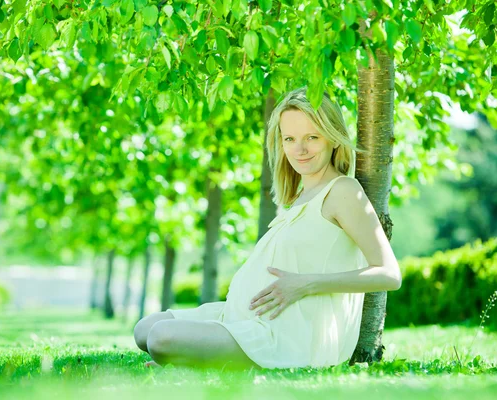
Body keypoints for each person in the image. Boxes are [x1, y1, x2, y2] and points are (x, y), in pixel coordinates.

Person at [133, 86, 402, 370]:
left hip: (288, 336)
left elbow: (388, 274)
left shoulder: (343, 191)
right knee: (145, 329)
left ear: (333, 138)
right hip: (243, 317)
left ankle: (193, 363)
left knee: (160, 337)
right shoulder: (299, 197)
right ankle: (194, 358)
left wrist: (305, 284)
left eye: (312, 137)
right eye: (290, 138)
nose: (300, 149)